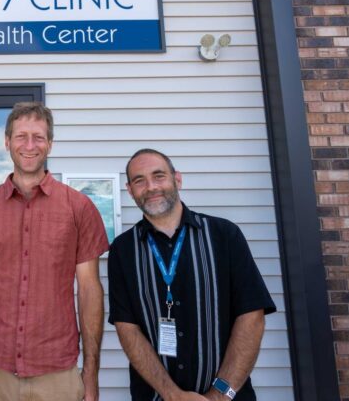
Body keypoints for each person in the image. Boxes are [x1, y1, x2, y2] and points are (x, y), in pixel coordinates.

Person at [0, 102, 110, 401]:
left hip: (57, 372)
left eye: (38, 137)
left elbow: (90, 289)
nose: (29, 145)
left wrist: (90, 372)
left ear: (50, 144)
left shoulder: (79, 208)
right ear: (7, 142)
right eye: (21, 136)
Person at [108, 148, 276, 401]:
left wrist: (219, 395)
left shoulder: (224, 235)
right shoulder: (123, 250)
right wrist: (172, 395)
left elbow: (252, 317)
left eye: (159, 176)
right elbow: (127, 328)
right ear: (130, 190)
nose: (151, 186)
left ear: (178, 179)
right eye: (139, 180)